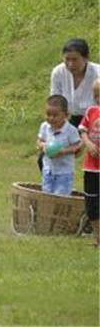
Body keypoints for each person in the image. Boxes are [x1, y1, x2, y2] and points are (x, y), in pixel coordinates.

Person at [37, 94, 81, 196]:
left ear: (66, 115)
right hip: (48, 170)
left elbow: (77, 146)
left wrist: (63, 151)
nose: (51, 118)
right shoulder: (44, 127)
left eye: (55, 115)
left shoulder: (71, 130)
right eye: (48, 114)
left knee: (60, 197)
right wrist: (43, 146)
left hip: (64, 172)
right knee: (47, 195)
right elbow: (39, 141)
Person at [78, 79, 100, 246]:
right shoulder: (91, 111)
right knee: (91, 203)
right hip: (91, 167)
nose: (97, 99)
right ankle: (97, 237)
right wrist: (89, 143)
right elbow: (83, 130)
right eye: (96, 95)